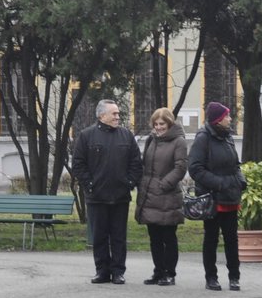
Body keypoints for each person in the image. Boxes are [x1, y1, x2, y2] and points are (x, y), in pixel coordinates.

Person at [70, 98, 142, 285]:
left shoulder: (126, 136)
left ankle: (118, 271)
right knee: (100, 236)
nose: (118, 116)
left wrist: (129, 182)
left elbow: (136, 162)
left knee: (119, 236)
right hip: (97, 197)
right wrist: (90, 185)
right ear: (102, 115)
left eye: (118, 113)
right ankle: (102, 271)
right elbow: (78, 164)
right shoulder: (87, 136)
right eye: (114, 113)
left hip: (120, 196)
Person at [188, 102, 246, 291]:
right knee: (211, 238)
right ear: (218, 119)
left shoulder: (228, 137)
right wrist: (219, 183)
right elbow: (195, 169)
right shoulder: (203, 138)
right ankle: (211, 277)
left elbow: (236, 165)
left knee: (232, 239)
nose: (230, 119)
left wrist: (241, 181)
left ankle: (234, 277)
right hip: (212, 198)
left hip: (231, 196)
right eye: (227, 116)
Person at [135, 106, 187, 285]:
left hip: (168, 196)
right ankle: (158, 271)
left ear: (169, 123)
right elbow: (145, 165)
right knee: (154, 237)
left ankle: (170, 273)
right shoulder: (151, 140)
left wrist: (164, 184)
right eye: (156, 124)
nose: (158, 127)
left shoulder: (179, 141)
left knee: (168, 237)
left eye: (162, 124)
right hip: (150, 196)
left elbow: (180, 167)